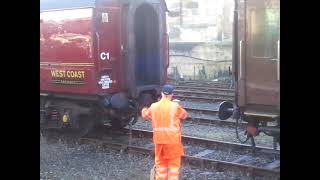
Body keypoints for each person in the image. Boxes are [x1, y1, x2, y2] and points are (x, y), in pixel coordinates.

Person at [141, 84, 188, 180]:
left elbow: (145, 115)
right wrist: (178, 105)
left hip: (159, 142)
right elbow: (184, 115)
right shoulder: (175, 106)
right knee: (173, 167)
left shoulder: (154, 106)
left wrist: (144, 109)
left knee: (161, 166)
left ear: (162, 94)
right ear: (171, 95)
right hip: (172, 142)